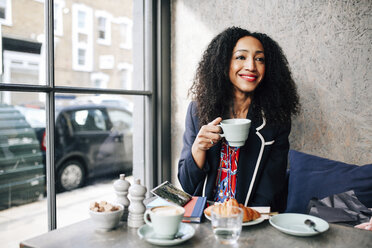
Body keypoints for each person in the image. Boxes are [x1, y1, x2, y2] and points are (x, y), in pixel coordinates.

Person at [177, 26, 300, 212]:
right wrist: (198, 147)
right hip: (204, 217)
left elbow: (271, 187)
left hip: (250, 219)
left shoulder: (276, 119)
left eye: (259, 59)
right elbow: (187, 185)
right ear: (223, 63)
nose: (251, 66)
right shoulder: (198, 111)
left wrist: (242, 218)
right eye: (241, 57)